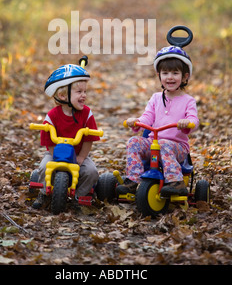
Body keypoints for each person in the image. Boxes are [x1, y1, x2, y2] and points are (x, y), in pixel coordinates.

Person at [117, 45, 199, 198]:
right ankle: (133, 179)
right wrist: (137, 121)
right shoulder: (156, 98)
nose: (170, 77)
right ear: (159, 75)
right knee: (134, 142)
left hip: (177, 147)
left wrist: (187, 122)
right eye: (165, 73)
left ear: (185, 77)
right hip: (154, 143)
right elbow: (147, 117)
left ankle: (176, 182)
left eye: (175, 73)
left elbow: (194, 119)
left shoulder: (188, 101)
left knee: (164, 145)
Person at [32, 63, 101, 209]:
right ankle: (45, 193)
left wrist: (81, 157)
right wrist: (55, 155)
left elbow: (89, 139)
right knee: (44, 166)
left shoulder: (87, 113)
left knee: (91, 172)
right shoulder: (52, 116)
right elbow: (48, 141)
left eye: (85, 91)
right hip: (55, 152)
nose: (84, 95)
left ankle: (80, 196)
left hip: (77, 153)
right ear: (63, 95)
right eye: (79, 92)